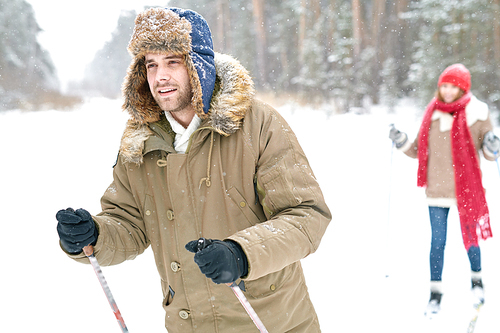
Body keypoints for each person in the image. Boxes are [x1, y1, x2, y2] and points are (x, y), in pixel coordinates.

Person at [55, 7, 331, 333]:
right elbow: (129, 223)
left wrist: (242, 253)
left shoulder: (257, 124)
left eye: (172, 62)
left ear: (197, 65)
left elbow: (306, 216)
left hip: (271, 322)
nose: (160, 77)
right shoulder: (140, 143)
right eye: (151, 65)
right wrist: (94, 237)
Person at [389, 64, 498, 316]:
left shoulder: (478, 114)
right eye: (444, 85)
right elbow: (417, 150)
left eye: (453, 86)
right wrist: (400, 139)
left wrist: (493, 145)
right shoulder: (432, 113)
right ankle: (435, 292)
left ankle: (477, 282)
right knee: (437, 243)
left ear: (463, 88)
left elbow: (490, 154)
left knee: (470, 240)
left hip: (467, 190)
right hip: (437, 191)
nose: (448, 91)